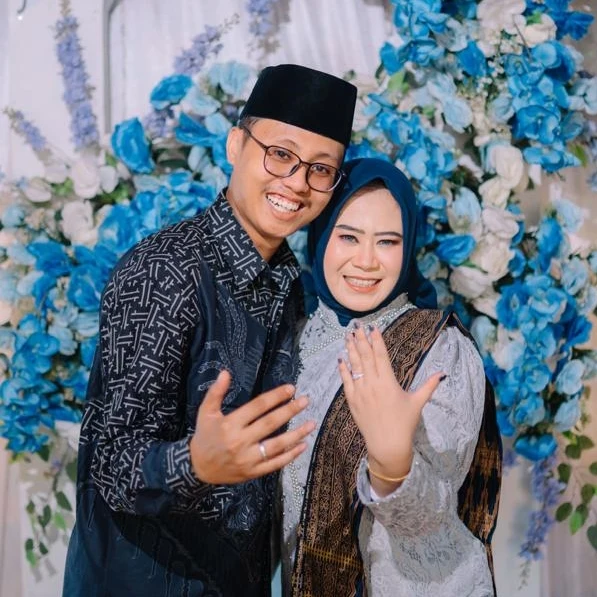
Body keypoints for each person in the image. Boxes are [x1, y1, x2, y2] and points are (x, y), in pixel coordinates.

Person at [63, 64, 357, 597]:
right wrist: (194, 463)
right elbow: (110, 463)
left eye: (321, 169)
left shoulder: (290, 282)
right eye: (281, 154)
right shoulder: (166, 270)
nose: (297, 182)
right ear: (235, 145)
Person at [280, 158, 502, 596]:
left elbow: (433, 516)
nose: (366, 261)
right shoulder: (295, 342)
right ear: (320, 238)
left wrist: (393, 465)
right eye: (348, 237)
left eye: (387, 241)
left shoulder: (439, 349)